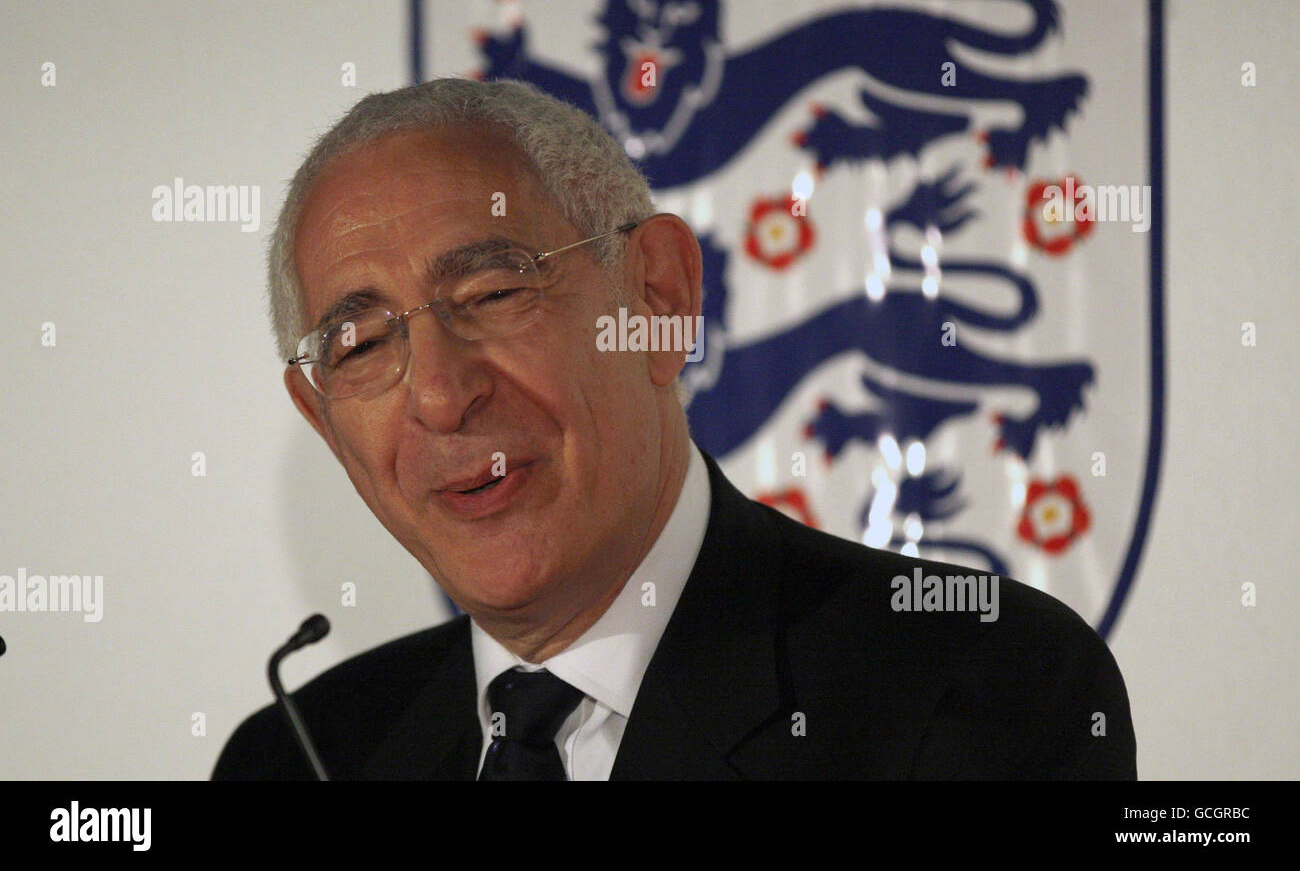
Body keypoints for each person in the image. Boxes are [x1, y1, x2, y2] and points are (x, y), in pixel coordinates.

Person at [212, 77, 1136, 780]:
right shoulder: (300, 759)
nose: (442, 395)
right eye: (363, 344)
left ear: (658, 297)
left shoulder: (975, 688)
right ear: (325, 421)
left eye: (493, 292)